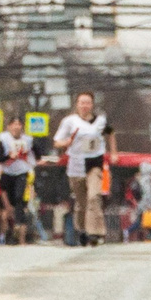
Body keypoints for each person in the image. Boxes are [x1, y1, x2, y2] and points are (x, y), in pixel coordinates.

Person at [53, 91, 110, 247]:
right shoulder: (69, 121)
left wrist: (115, 152)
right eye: (82, 102)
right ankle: (82, 230)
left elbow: (111, 133)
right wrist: (65, 143)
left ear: (92, 105)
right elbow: (57, 142)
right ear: (77, 105)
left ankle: (96, 232)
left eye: (88, 102)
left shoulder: (100, 121)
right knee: (81, 202)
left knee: (94, 197)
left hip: (95, 163)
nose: (85, 105)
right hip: (76, 165)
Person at [0, 116, 37, 244]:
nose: (16, 127)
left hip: (22, 172)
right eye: (13, 124)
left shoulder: (28, 140)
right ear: (9, 127)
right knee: (8, 207)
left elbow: (37, 154)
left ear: (22, 126)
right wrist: (9, 156)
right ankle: (6, 235)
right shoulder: (4, 139)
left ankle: (19, 229)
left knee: (19, 199)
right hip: (7, 174)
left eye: (19, 124)